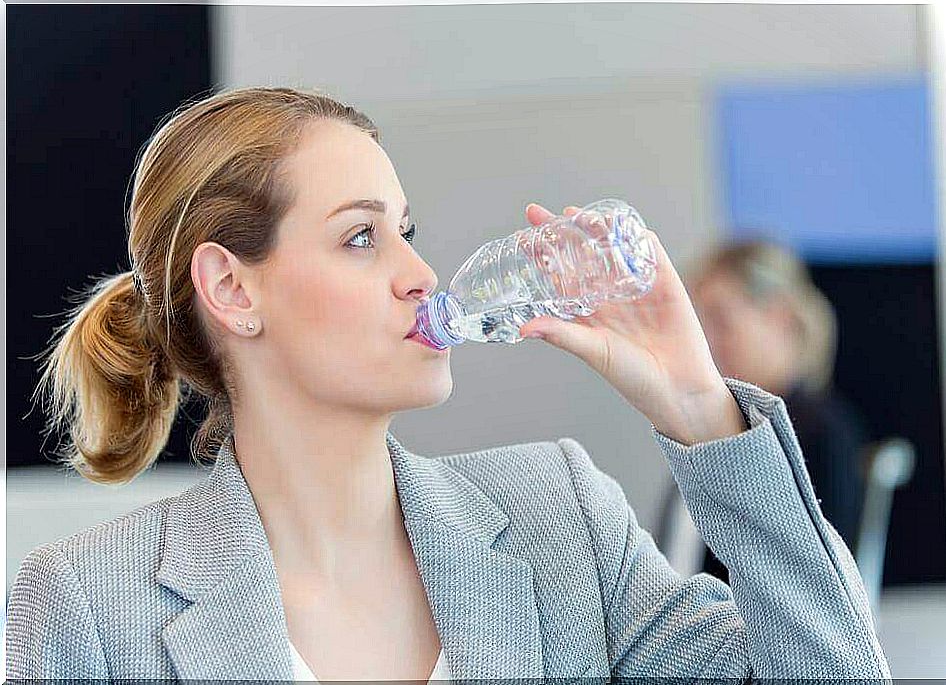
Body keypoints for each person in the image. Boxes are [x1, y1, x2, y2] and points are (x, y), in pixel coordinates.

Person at [5, 86, 889, 681]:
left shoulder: (563, 521)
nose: (422, 272)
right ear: (233, 289)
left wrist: (701, 408)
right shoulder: (86, 606)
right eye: (362, 237)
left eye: (408, 230)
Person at [687, 240, 871, 584]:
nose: (708, 343)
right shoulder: (730, 427)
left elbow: (812, 581)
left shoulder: (819, 431)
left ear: (779, 316)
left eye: (721, 321)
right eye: (702, 326)